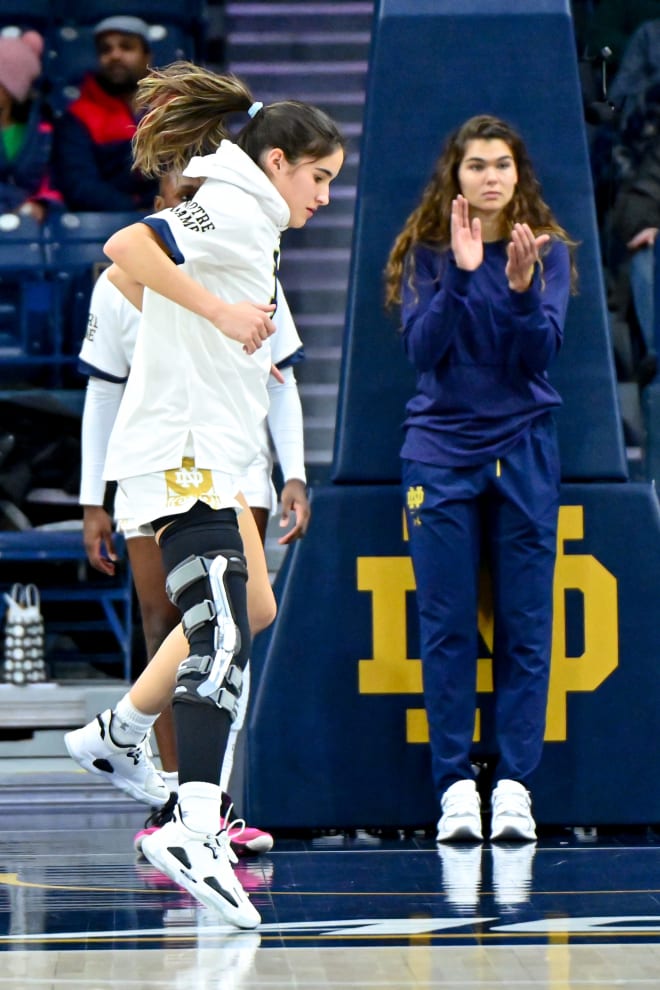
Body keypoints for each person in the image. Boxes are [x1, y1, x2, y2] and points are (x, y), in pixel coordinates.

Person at [66, 61, 344, 928]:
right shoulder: (228, 202)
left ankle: (116, 733)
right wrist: (217, 315)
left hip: (218, 452)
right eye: (320, 178)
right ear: (277, 161)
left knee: (253, 607)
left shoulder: (253, 220)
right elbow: (125, 251)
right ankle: (191, 825)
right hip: (183, 450)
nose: (326, 198)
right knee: (219, 629)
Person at [77, 170, 309, 858]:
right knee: (178, 624)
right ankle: (175, 792)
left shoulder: (250, 253)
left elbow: (280, 370)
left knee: (240, 619)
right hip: (166, 458)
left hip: (233, 461)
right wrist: (96, 498)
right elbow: (102, 390)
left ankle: (182, 783)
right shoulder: (129, 272)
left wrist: (293, 472)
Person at [384, 114, 576, 844]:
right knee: (446, 629)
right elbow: (423, 351)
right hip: (440, 453)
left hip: (524, 447)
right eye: (476, 166)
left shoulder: (546, 253)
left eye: (502, 164)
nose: (490, 176)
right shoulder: (429, 254)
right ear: (454, 177)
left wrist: (523, 289)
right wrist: (464, 279)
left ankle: (517, 787)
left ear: (518, 174)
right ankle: (457, 786)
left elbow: (539, 357)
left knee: (528, 629)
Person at [53, 16, 157, 211]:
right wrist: (136, 209)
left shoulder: (173, 109)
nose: (115, 55)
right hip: (106, 227)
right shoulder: (78, 116)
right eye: (105, 49)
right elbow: (80, 187)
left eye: (126, 47)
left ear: (147, 56)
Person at [0, 30, 62, 220]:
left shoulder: (44, 131)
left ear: (13, 87)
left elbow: (56, 181)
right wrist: (19, 202)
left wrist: (43, 204)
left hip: (32, 230)